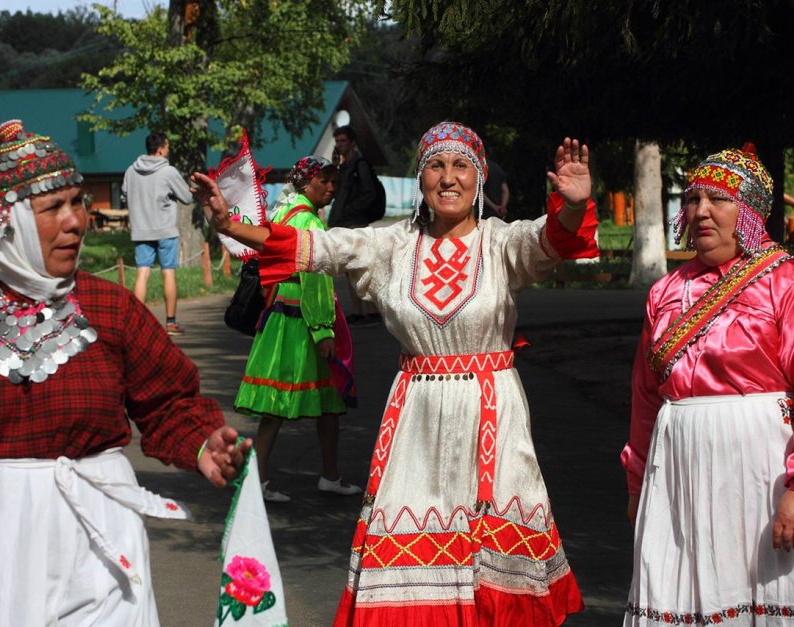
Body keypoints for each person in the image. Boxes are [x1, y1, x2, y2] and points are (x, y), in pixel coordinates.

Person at [193, 121, 600, 626]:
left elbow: (553, 239)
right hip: (415, 423)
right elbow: (315, 248)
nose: (448, 178)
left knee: (494, 565)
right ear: (420, 177)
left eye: (460, 166)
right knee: (411, 556)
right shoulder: (391, 246)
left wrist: (576, 203)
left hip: (492, 416)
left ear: (478, 178)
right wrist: (230, 225)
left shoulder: (502, 244)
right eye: (435, 165)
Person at [0, 119, 253, 625]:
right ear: (6, 224)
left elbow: (168, 402)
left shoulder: (110, 307)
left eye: (78, 203)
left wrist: (203, 443)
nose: (75, 222)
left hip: (101, 542)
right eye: (53, 208)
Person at [622, 146, 794, 626]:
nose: (701, 211)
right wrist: (638, 482)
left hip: (762, 480)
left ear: (748, 212)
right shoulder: (664, 293)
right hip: (678, 481)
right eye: (693, 198)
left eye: (718, 199)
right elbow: (646, 399)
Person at [235, 155, 361, 503]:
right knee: (323, 398)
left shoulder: (283, 213)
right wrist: (324, 331)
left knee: (283, 403)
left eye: (334, 180)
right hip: (301, 320)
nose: (332, 187)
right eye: (325, 180)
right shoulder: (310, 223)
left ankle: (274, 478)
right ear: (308, 184)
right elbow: (317, 279)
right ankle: (325, 476)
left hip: (278, 313)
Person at [122, 130, 193, 335]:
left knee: (142, 273)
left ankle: (135, 323)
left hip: (141, 229)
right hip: (165, 229)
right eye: (168, 147)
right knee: (168, 272)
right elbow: (187, 198)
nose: (169, 150)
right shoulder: (168, 172)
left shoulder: (130, 171)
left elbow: (125, 195)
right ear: (161, 149)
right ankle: (170, 323)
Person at [327, 124, 381, 327]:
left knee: (363, 267)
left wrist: (352, 210)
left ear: (352, 143)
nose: (339, 145)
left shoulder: (360, 165)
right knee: (350, 269)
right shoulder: (343, 166)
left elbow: (369, 193)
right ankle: (358, 311)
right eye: (337, 141)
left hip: (355, 223)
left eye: (343, 141)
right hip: (343, 223)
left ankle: (372, 310)